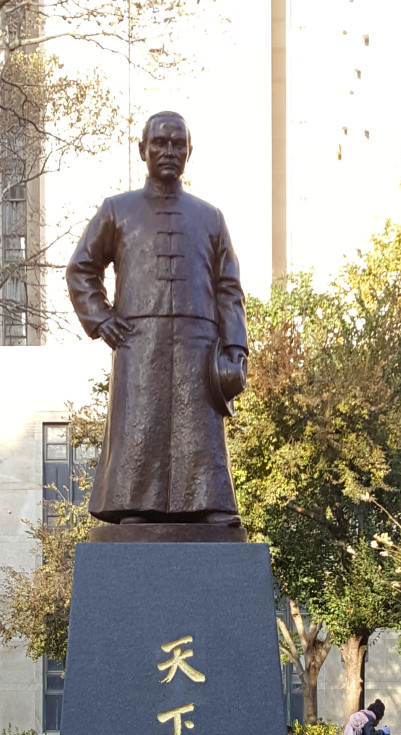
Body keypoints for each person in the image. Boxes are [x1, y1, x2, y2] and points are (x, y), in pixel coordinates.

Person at [66, 111, 248, 526]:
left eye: (178, 144)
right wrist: (100, 317)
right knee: (140, 424)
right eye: (161, 143)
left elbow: (228, 287)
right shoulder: (118, 210)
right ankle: (135, 503)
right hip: (139, 340)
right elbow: (81, 268)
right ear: (143, 149)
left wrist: (235, 347)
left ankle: (210, 503)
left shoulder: (211, 217)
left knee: (200, 432)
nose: (170, 151)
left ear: (189, 151)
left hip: (199, 344)